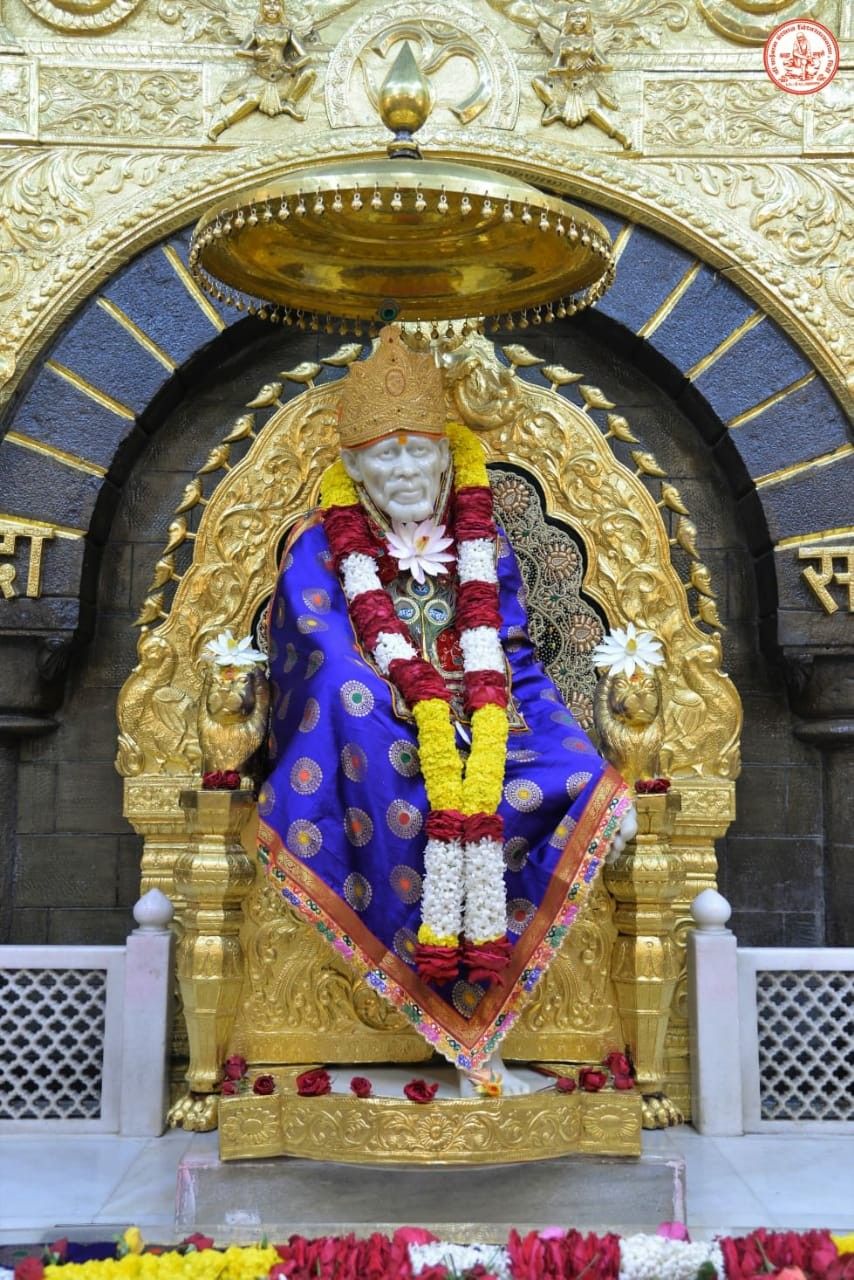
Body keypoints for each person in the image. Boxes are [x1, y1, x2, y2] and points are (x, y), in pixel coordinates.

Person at [257, 326, 634, 1091]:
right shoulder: (317, 548)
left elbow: (516, 659)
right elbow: (325, 666)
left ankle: (485, 1030)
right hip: (377, 740)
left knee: (572, 782)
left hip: (488, 731)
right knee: (356, 708)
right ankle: (459, 1036)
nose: (404, 469)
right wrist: (416, 704)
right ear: (356, 467)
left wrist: (591, 768)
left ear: (446, 455)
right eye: (386, 454)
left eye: (418, 451)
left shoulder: (482, 545)